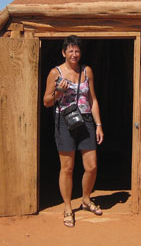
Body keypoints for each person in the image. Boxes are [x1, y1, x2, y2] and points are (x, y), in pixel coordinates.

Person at [43, 35, 104, 228]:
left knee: (91, 166)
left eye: (77, 50)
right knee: (67, 168)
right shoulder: (55, 73)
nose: (74, 54)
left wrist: (99, 125)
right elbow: (46, 102)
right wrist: (58, 92)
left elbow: (92, 99)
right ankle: (68, 207)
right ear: (64, 52)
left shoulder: (87, 71)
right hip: (65, 121)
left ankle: (86, 199)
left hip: (85, 120)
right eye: (70, 50)